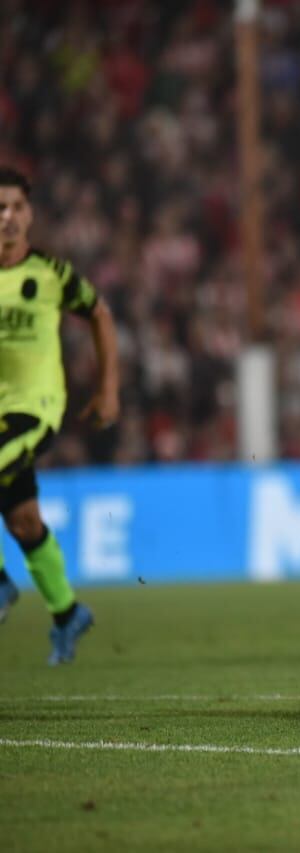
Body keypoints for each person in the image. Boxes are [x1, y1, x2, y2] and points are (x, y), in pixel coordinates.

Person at [0, 166, 119, 664]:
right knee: (24, 519)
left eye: (16, 208)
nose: (7, 217)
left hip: (36, 407)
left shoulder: (51, 274)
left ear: (30, 215)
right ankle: (68, 614)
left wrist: (107, 389)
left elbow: (99, 312)